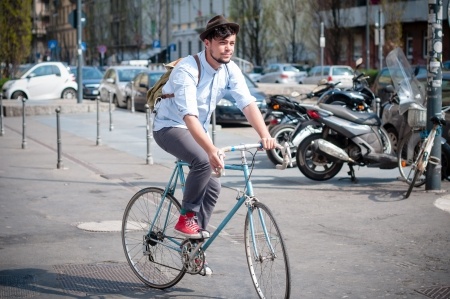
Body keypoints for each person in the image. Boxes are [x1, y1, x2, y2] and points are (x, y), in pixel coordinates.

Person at [152, 15, 276, 263]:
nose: (228, 48)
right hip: (169, 127)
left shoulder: (230, 69)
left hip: (197, 129)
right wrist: (209, 149)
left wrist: (265, 135)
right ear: (207, 43)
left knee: (214, 187)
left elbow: (247, 103)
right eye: (222, 42)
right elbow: (188, 116)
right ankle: (186, 217)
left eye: (231, 42)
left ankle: (194, 246)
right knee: (202, 160)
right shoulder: (186, 69)